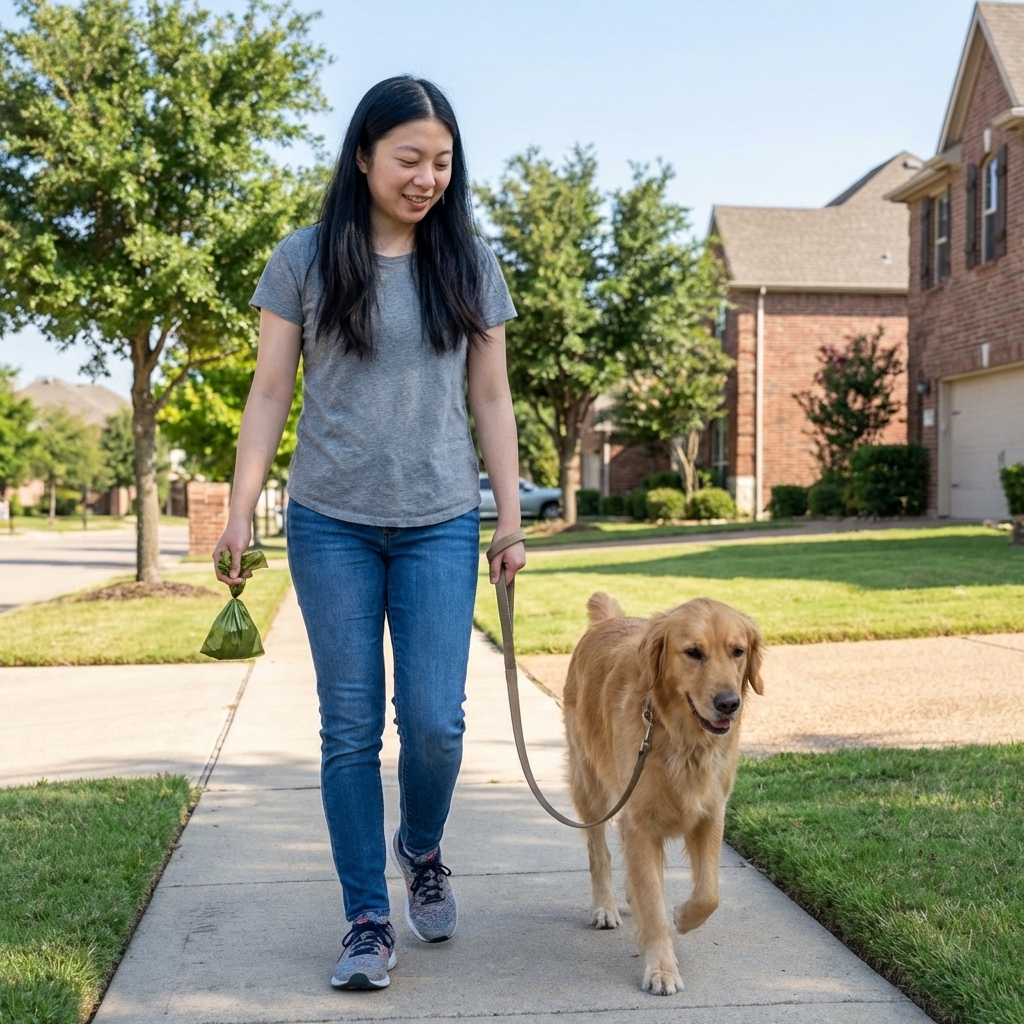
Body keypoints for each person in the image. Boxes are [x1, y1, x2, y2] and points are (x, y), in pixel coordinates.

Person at [213, 75, 526, 991]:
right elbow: (269, 391)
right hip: (329, 523)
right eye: (409, 159)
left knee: (434, 725)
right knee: (349, 728)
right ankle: (364, 918)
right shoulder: (304, 259)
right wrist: (241, 506)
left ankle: (420, 847)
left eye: (442, 161)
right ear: (363, 156)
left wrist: (509, 518)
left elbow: (492, 395)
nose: (427, 177)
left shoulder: (469, 263)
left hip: (437, 523)